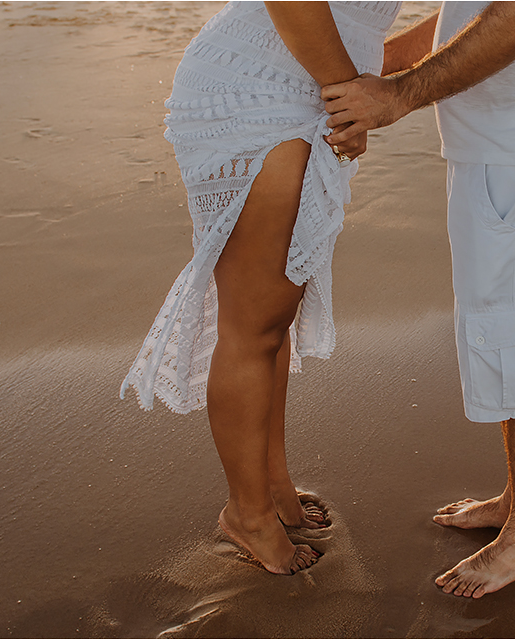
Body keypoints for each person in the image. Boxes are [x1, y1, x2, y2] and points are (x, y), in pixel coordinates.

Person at [323, 1, 515, 598]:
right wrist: (380, 64)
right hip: (504, 151)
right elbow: (473, 13)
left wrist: (397, 95)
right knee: (509, 333)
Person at [120, 1, 400, 575]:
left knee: (272, 314)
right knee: (253, 323)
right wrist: (349, 95)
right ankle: (247, 513)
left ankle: (272, 487)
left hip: (309, 83)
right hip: (267, 85)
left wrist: (387, 89)